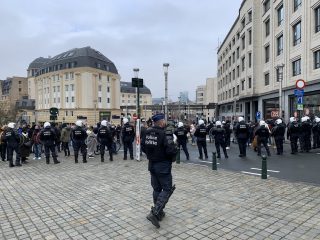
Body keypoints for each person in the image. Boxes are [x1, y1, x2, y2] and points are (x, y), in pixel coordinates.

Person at [141, 113, 177, 228]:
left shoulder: (147, 132)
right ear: (161, 122)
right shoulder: (165, 133)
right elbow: (171, 150)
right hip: (163, 165)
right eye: (164, 120)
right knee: (167, 189)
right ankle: (155, 212)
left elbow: (143, 147)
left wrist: (152, 155)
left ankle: (159, 212)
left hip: (152, 164)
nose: (165, 122)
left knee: (157, 189)